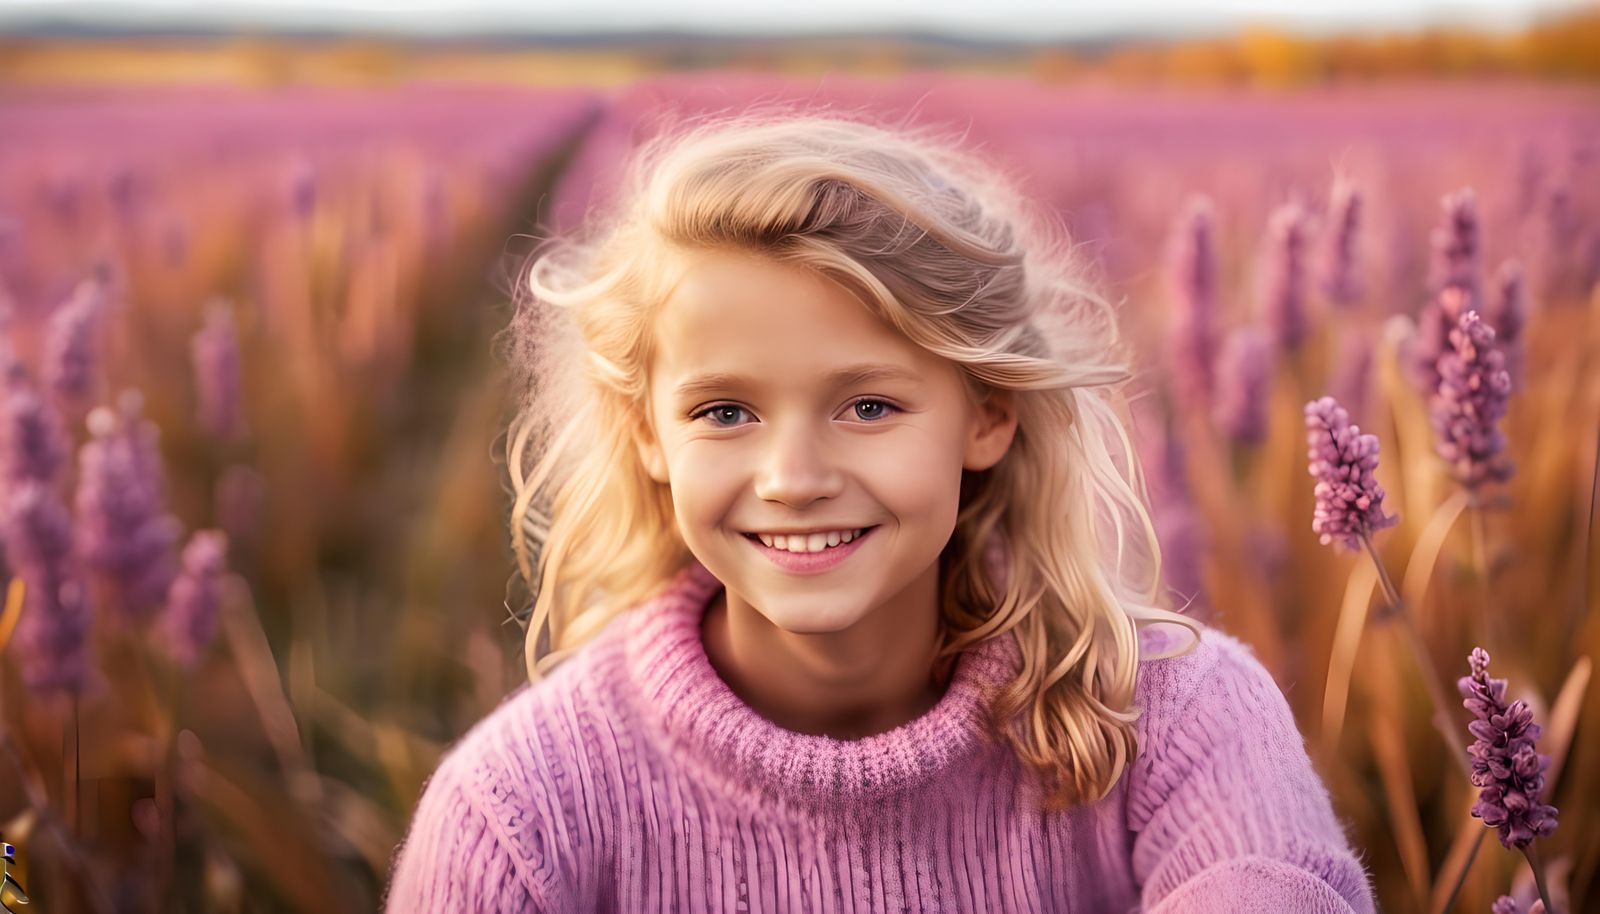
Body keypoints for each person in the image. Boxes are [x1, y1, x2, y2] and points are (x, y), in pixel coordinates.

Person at [381, 104, 1377, 913]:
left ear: (987, 414)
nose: (794, 475)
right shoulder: (522, 813)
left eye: (868, 405)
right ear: (648, 434)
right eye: (724, 410)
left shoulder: (1180, 718)